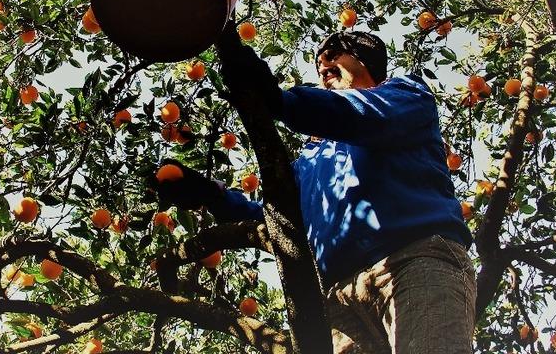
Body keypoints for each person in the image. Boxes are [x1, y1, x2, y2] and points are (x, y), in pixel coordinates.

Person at [157, 30, 476, 354]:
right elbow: (275, 216)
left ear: (366, 60)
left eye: (334, 54)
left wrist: (280, 101)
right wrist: (213, 196)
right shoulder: (309, 161)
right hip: (338, 296)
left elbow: (367, 114)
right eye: (319, 62)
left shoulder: (406, 95)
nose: (323, 64)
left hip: (413, 258)